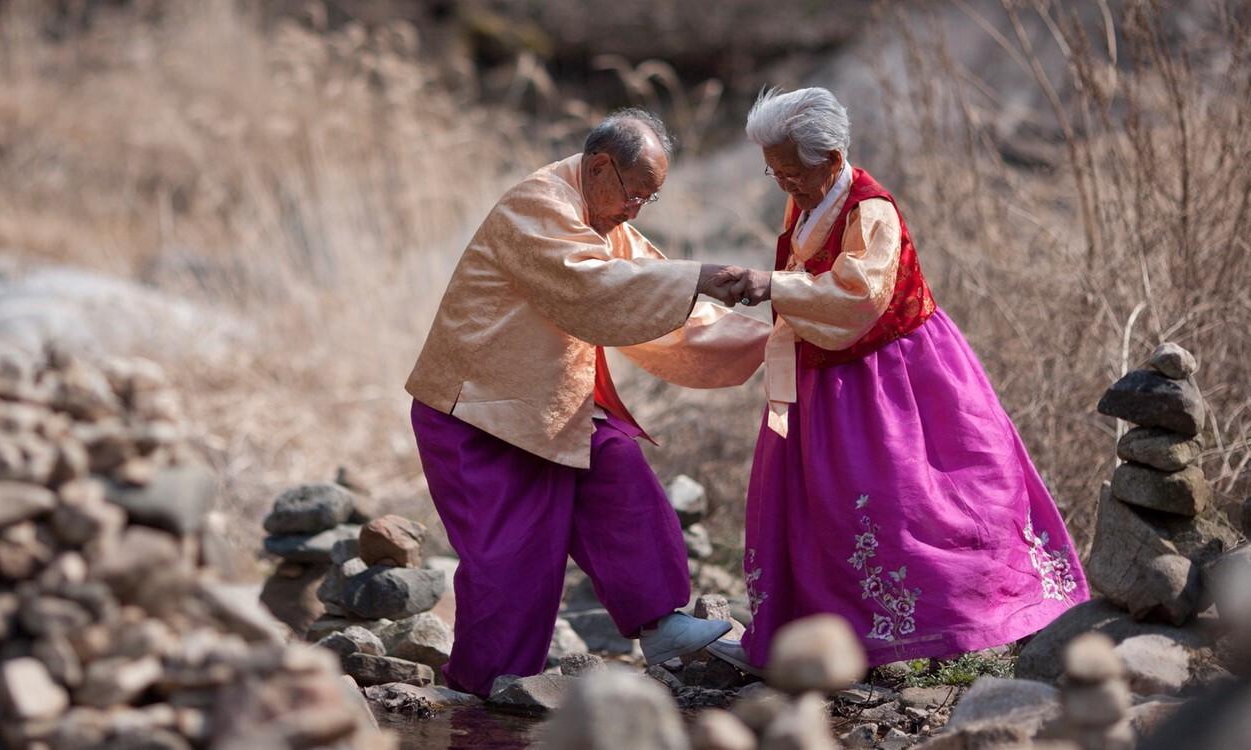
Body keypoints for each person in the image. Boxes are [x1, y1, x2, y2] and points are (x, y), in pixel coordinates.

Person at [705, 87, 1088, 674]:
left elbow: (860, 293)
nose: (783, 184)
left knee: (912, 500)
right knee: (825, 506)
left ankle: (962, 620)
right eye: (774, 172)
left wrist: (771, 285)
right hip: (828, 372)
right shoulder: (809, 197)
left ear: (831, 160)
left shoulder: (870, 210)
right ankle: (834, 635)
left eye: (791, 173)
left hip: (894, 376)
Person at [406, 109, 771, 696]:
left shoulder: (602, 215)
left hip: (546, 411)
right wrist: (697, 276)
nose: (636, 210)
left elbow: (660, 300)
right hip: (476, 413)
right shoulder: (539, 204)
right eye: (636, 195)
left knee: (618, 465)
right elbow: (594, 290)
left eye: (647, 201)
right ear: (600, 167)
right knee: (512, 567)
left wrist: (769, 340)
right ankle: (483, 700)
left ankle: (660, 624)